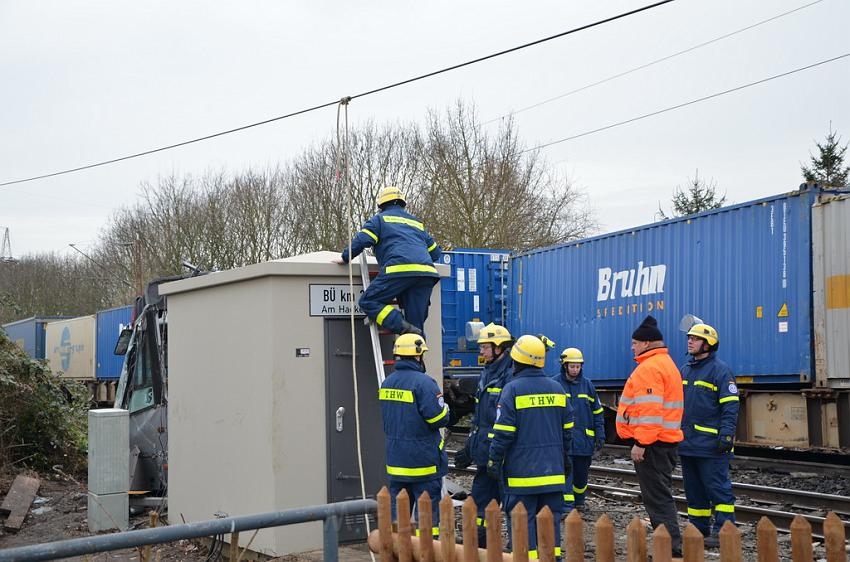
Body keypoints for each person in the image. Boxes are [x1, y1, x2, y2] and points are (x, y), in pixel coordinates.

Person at [488, 335, 573, 560]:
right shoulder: (558, 389)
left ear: (517, 361)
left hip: (521, 476)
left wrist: (494, 461)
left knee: (522, 523)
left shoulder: (512, 389)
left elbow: (503, 434)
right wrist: (565, 458)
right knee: (551, 521)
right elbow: (567, 431)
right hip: (553, 474)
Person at [616, 315, 684, 556]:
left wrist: (641, 443)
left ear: (646, 343)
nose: (632, 347)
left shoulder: (649, 368)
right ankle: (670, 546)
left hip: (653, 444)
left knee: (657, 499)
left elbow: (650, 411)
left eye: (635, 343)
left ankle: (670, 550)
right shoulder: (666, 364)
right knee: (661, 495)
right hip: (665, 441)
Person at [336, 186, 441, 335]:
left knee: (369, 301)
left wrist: (345, 257)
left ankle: (401, 325)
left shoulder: (379, 220)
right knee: (416, 328)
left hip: (398, 270)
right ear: (403, 204)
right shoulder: (417, 224)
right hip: (426, 274)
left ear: (381, 205)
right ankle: (415, 354)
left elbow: (363, 240)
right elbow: (435, 253)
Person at [379, 333, 450, 536]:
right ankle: (427, 553)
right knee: (427, 519)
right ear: (418, 356)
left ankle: (398, 553)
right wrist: (447, 410)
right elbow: (438, 419)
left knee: (398, 517)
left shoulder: (387, 383)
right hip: (423, 463)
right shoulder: (425, 383)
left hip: (397, 462)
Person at [679, 323, 739, 548]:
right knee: (694, 493)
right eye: (689, 338)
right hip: (687, 444)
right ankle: (698, 529)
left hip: (712, 446)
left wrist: (727, 436)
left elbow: (730, 406)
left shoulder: (720, 370)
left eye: (695, 338)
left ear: (708, 343)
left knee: (718, 490)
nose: (690, 341)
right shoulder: (685, 369)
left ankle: (725, 530)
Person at [453, 323, 513, 547]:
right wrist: (470, 449)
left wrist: (496, 456)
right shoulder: (487, 372)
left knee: (510, 504)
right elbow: (480, 421)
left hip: (501, 458)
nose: (481, 352)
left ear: (499, 348)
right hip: (485, 455)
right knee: (479, 503)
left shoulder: (510, 375)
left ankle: (512, 548)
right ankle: (480, 546)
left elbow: (503, 423)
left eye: (485, 347)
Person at [552, 347, 604, 513]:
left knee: (581, 475)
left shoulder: (587, 385)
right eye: (572, 366)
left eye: (578, 366)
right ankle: (567, 506)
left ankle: (580, 501)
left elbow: (597, 411)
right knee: (566, 474)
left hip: (583, 441)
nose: (575, 369)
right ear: (565, 365)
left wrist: (600, 434)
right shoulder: (555, 384)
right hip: (563, 441)